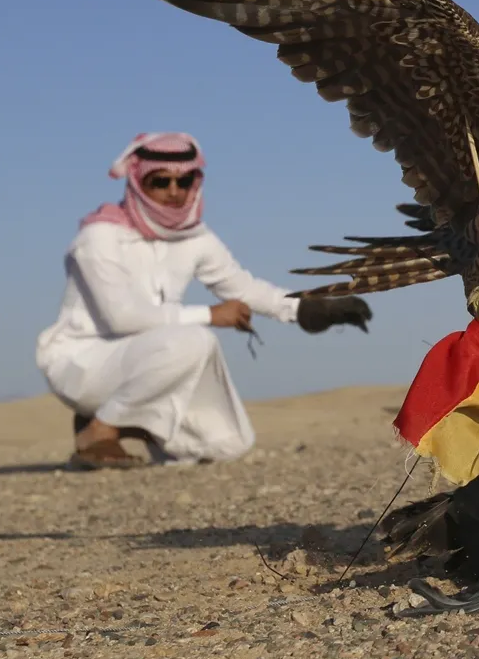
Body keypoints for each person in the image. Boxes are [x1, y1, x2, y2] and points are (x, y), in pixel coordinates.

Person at [39, 132, 373, 468]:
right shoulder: (99, 238)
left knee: (229, 445)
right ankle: (99, 429)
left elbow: (241, 286)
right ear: (138, 181)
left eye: (184, 181)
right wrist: (210, 315)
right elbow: (122, 318)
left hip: (153, 362)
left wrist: (310, 307)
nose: (174, 191)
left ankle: (134, 422)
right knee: (194, 341)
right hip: (84, 365)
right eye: (160, 181)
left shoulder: (195, 237)